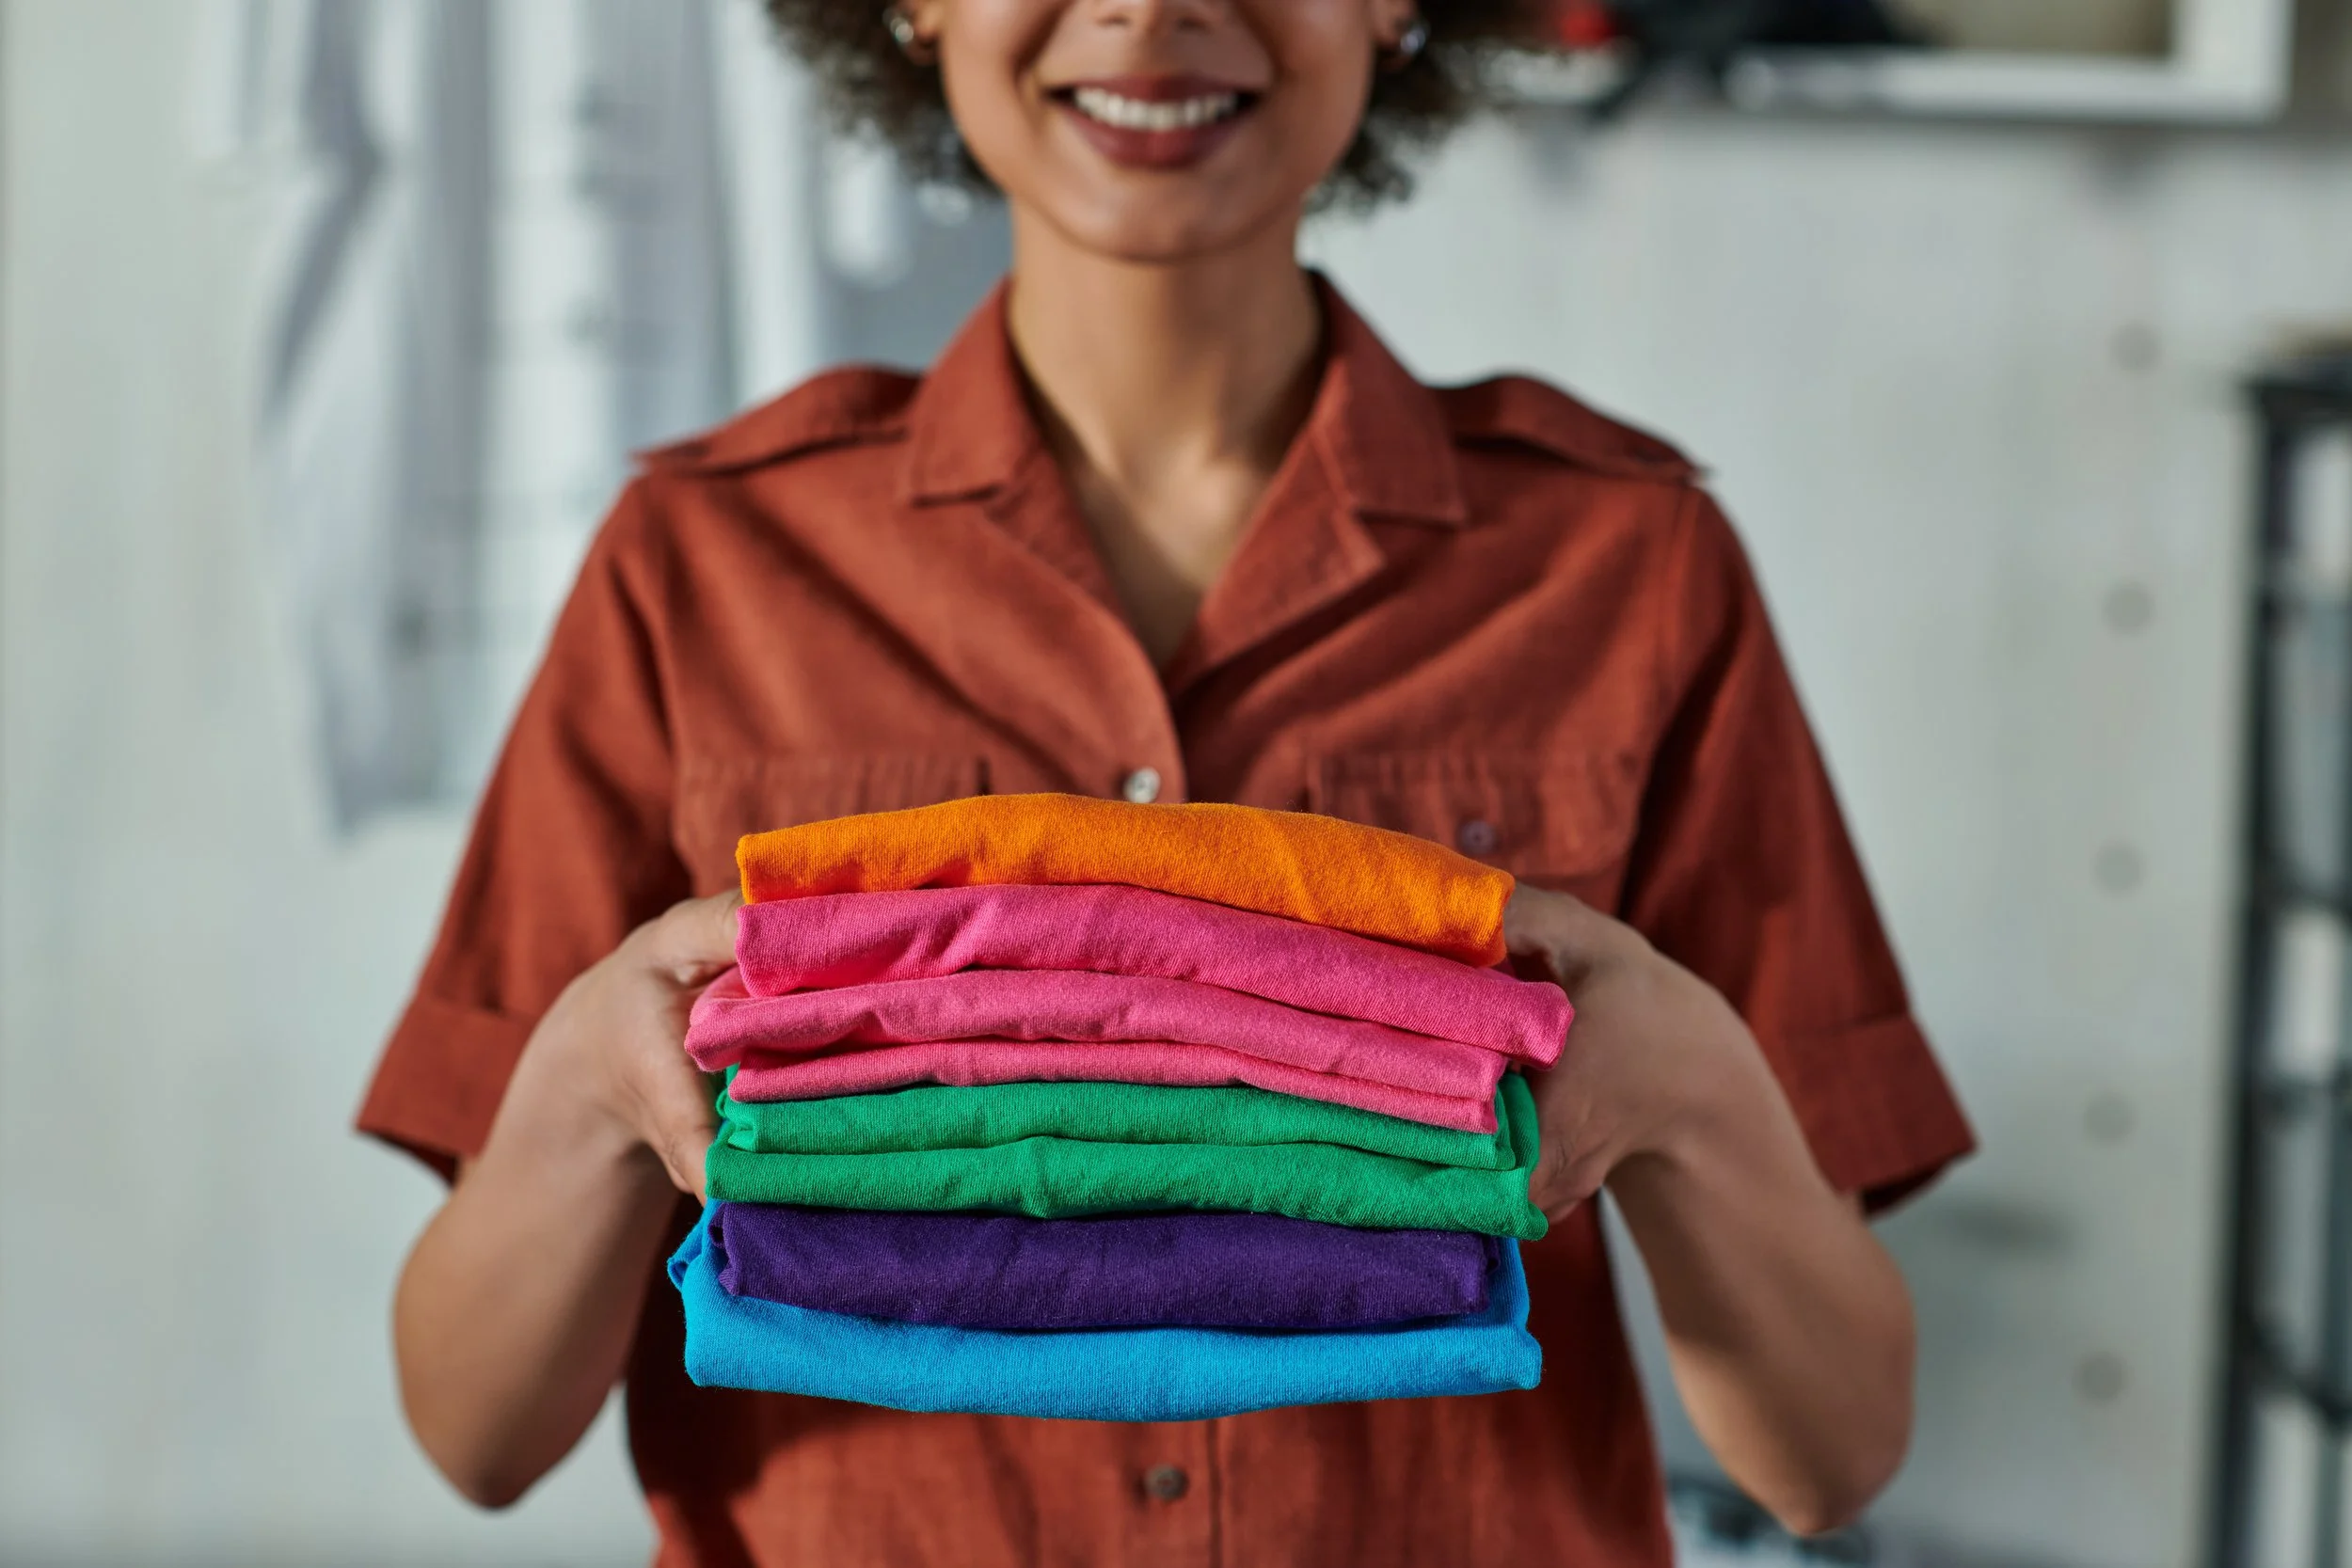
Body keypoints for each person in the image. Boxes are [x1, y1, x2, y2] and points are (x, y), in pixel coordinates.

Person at [362, 1, 1976, 1562]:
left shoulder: (1628, 569)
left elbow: (1830, 1455)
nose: (1148, 12)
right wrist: (586, 1077)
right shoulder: (698, 570)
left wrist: (1691, 1086)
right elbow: (474, 1431)